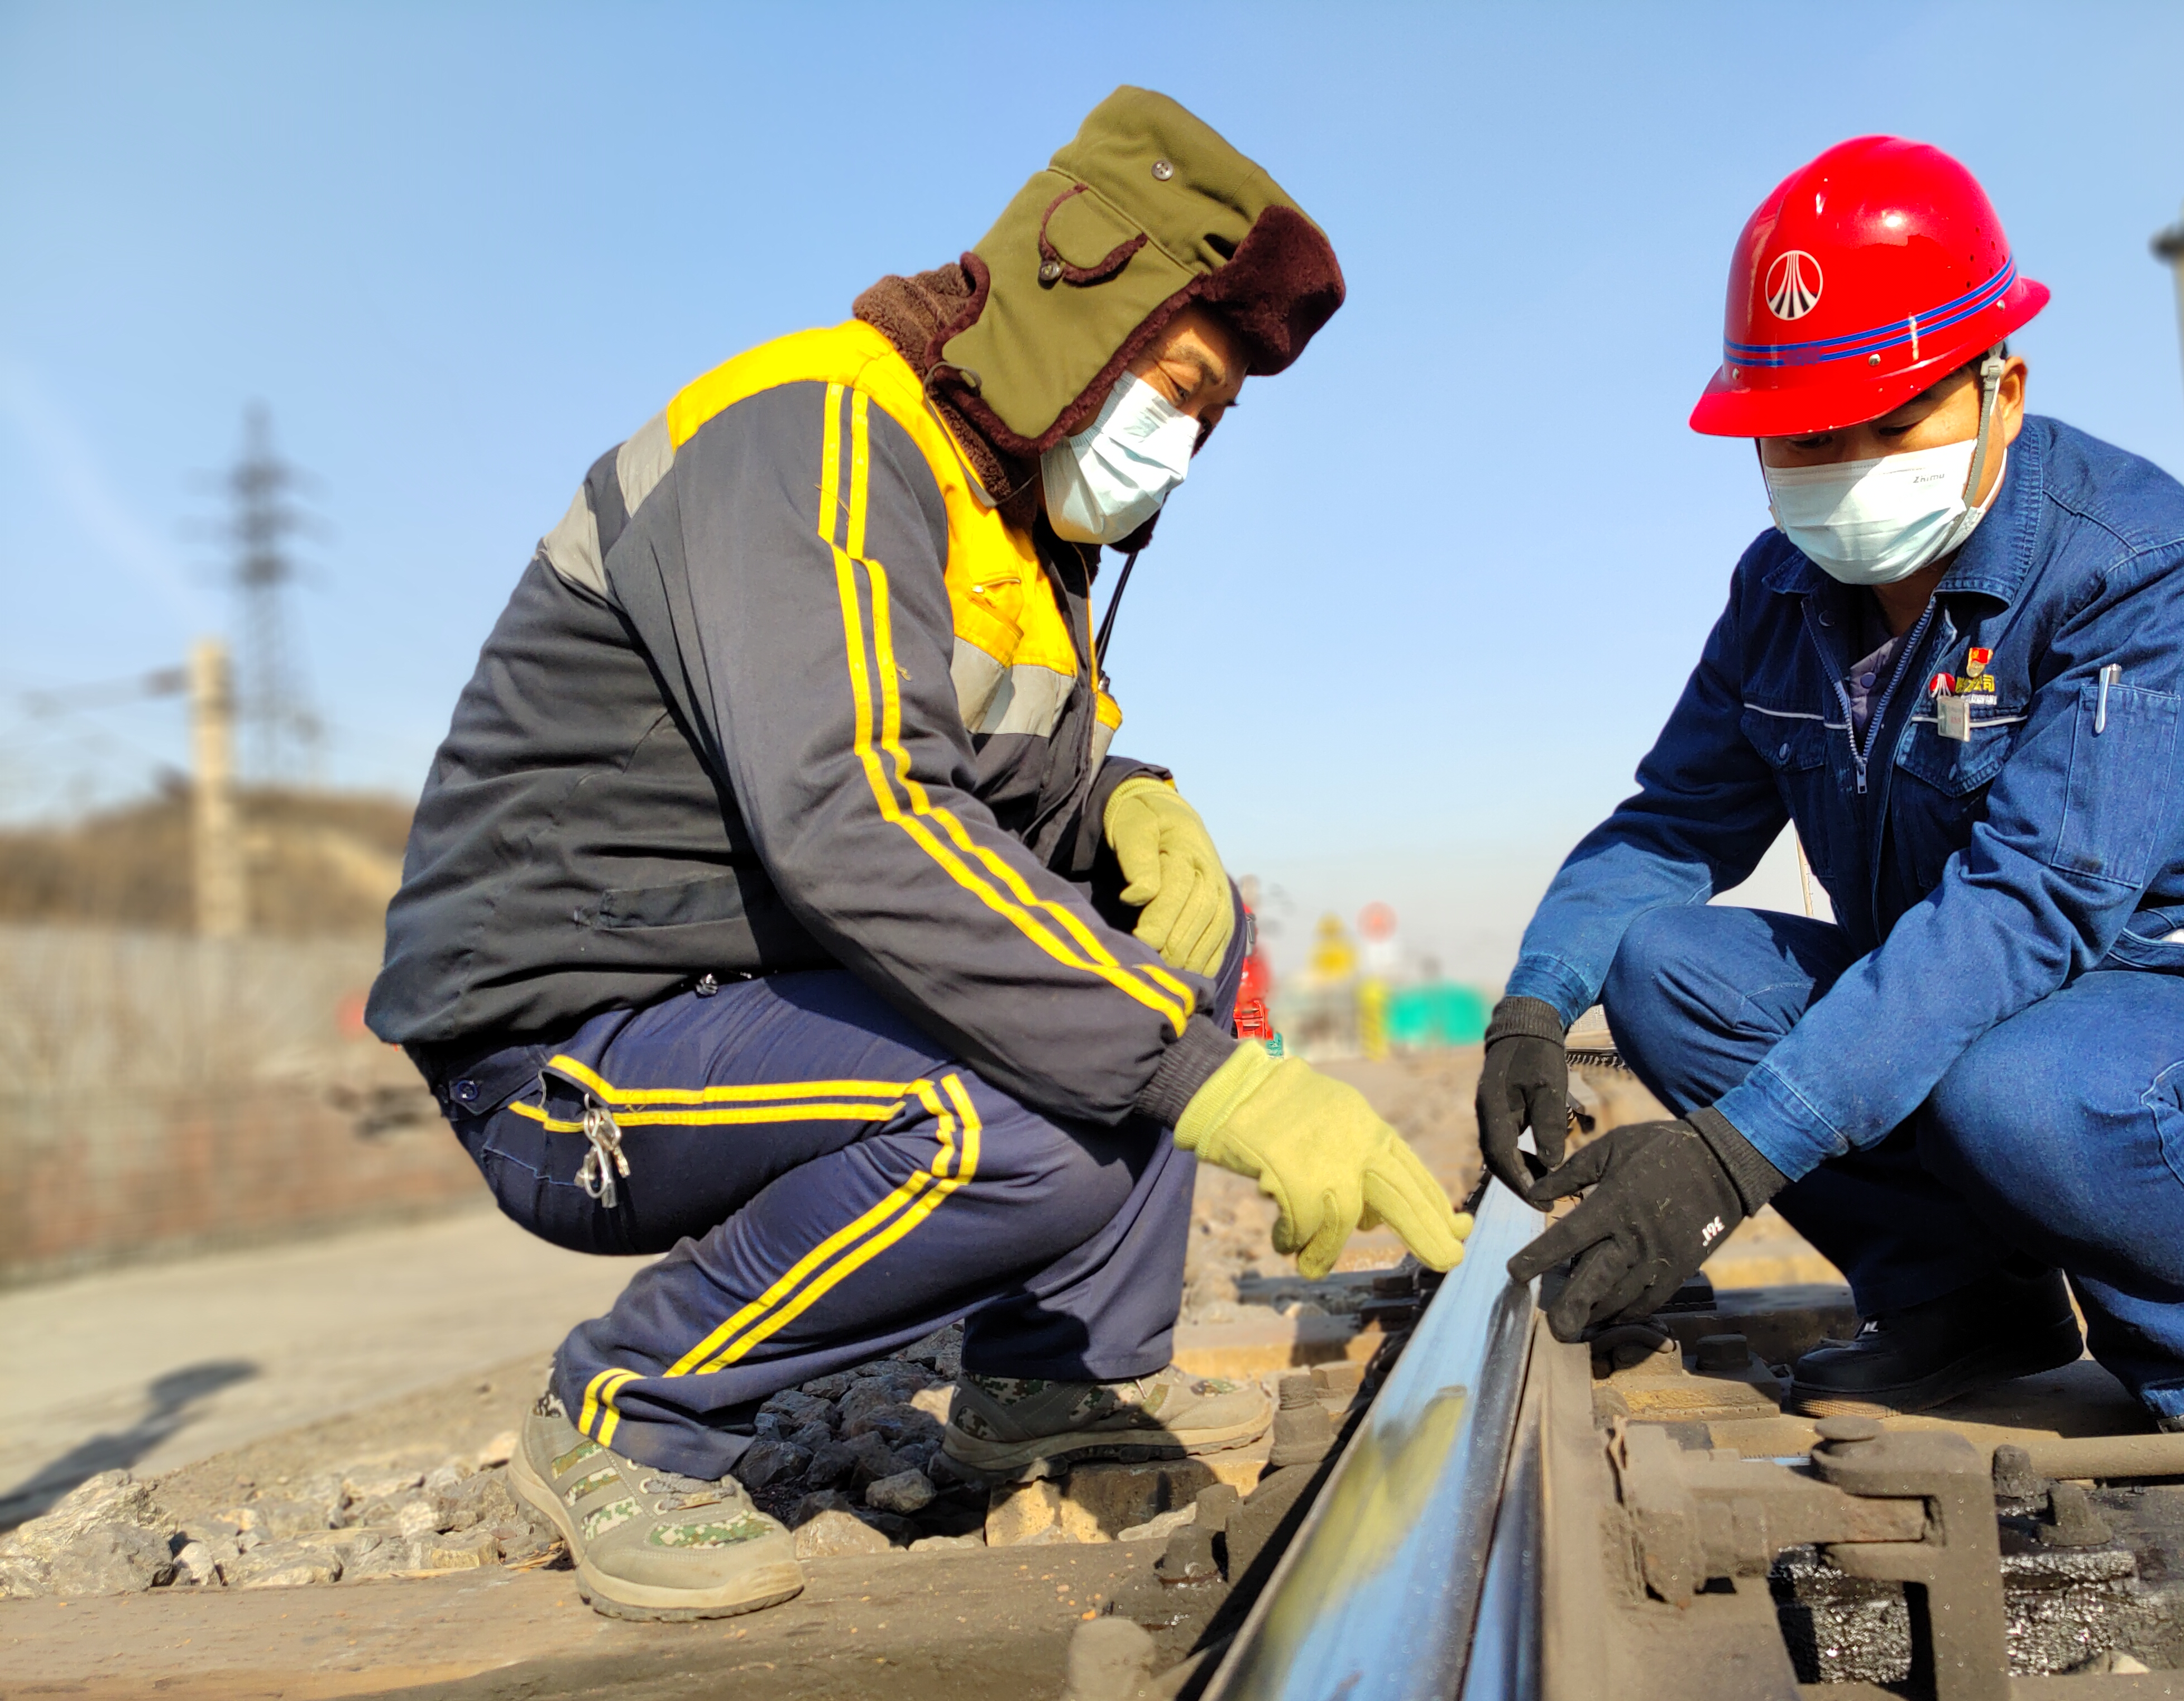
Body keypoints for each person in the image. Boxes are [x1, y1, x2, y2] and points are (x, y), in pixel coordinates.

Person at [367, 87, 1468, 1621]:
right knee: (1013, 1129)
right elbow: (858, 810)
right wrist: (1216, 1075)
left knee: (1173, 927)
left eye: (1210, 419)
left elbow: (1013, 799)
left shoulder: (1012, 534)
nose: (1184, 445)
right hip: (568, 1036)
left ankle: (1043, 1381)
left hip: (745, 994)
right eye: (1179, 384)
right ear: (1077, 302)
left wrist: (1133, 802)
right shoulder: (817, 428)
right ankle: (629, 1408)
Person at [1478, 135, 2184, 1434]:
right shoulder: (1779, 593)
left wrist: (1731, 1160)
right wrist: (1531, 1002)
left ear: (2000, 390)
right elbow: (1673, 823)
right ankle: (1965, 1309)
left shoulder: (2137, 571)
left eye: (1890, 422)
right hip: (1977, 995)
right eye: (1800, 437)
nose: (1845, 468)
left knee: (2019, 1089)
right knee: (1662, 970)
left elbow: (2026, 909)